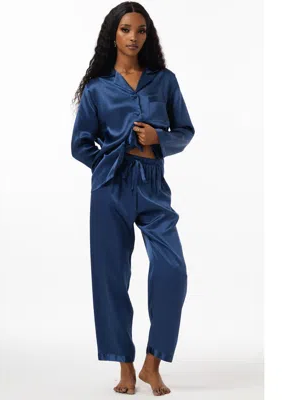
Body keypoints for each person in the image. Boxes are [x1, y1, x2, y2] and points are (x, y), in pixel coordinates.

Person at [71, 1, 195, 396]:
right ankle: (124, 366)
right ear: (113, 34)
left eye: (141, 30)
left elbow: (185, 130)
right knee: (111, 277)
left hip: (153, 184)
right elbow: (80, 144)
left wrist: (159, 139)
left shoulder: (164, 81)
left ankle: (151, 365)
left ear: (148, 36)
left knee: (172, 270)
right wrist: (109, 163)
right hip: (111, 187)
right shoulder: (97, 88)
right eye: (126, 29)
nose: (133, 37)